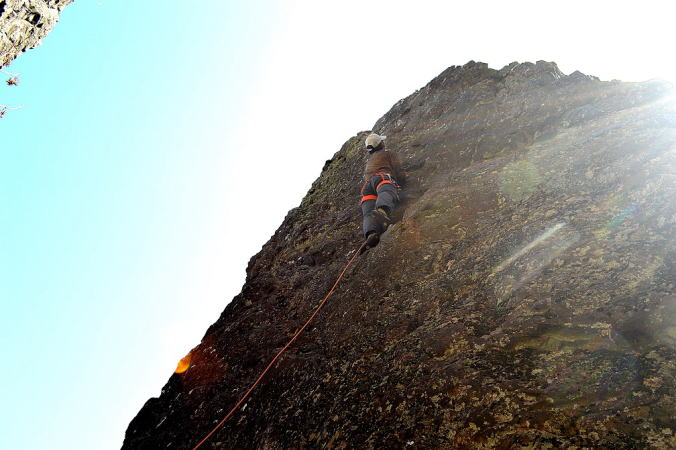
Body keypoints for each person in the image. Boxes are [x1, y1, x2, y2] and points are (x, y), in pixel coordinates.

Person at [360, 133, 405, 248]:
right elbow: (398, 171)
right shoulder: (388, 154)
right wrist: (403, 180)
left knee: (368, 213)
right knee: (387, 191)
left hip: (367, 187)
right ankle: (382, 210)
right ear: (381, 144)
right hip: (381, 179)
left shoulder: (369, 162)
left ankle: (371, 233)